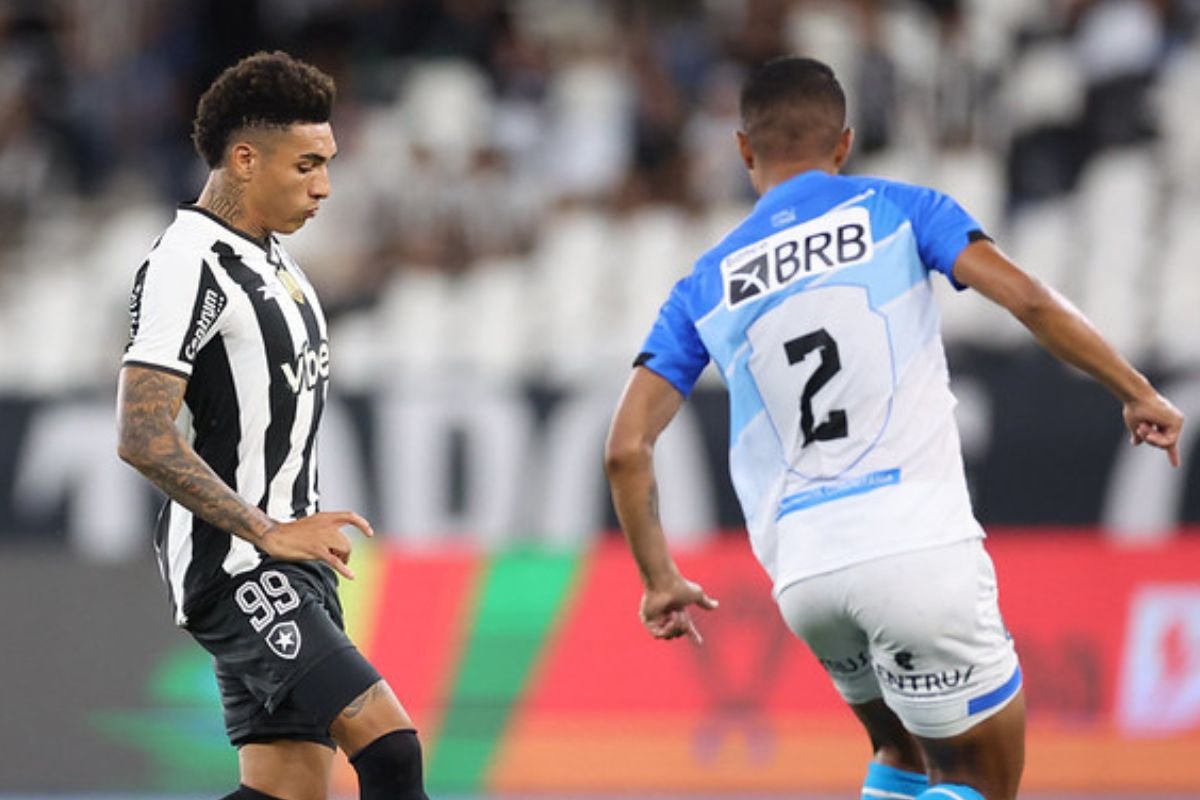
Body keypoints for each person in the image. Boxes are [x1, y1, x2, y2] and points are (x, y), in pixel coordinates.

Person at [604, 56, 1184, 800]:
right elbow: (1030, 300)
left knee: (902, 754)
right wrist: (1135, 391)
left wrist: (660, 580)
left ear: (744, 150)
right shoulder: (900, 207)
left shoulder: (705, 280)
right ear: (844, 144)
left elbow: (626, 448)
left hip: (808, 573)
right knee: (980, 776)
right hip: (914, 545)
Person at [116, 51, 429, 800]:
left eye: (328, 164)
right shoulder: (187, 263)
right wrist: (262, 531)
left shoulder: (274, 261)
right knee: (390, 752)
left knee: (288, 793)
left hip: (293, 563)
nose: (324, 186)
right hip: (237, 565)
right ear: (246, 159)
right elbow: (143, 433)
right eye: (307, 165)